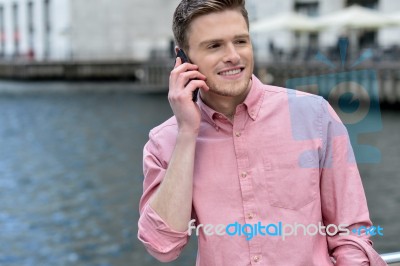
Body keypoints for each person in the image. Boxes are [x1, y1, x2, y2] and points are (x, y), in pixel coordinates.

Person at [138, 0, 387, 265]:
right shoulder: (166, 141)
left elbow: (352, 232)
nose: (233, 55)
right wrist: (187, 133)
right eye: (214, 45)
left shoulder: (314, 116)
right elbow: (162, 246)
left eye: (241, 41)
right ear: (183, 58)